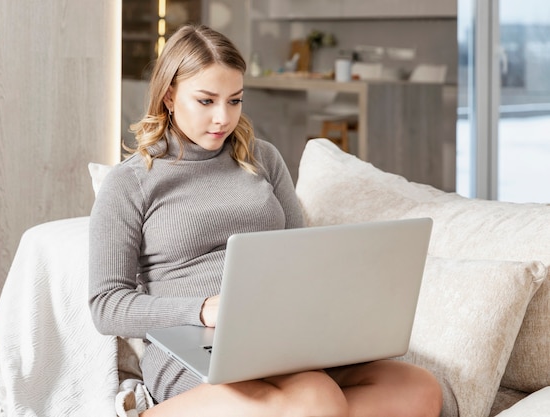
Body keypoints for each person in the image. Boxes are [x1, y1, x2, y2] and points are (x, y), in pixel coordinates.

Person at [88, 24, 443, 417]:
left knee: (418, 389)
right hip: (197, 346)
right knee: (315, 399)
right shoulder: (129, 182)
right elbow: (107, 306)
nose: (223, 118)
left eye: (235, 100)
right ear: (170, 95)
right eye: (206, 101)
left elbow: (302, 256)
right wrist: (202, 310)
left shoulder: (263, 159)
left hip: (282, 339)